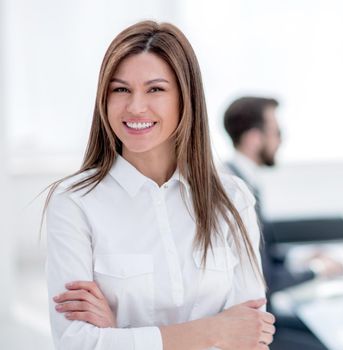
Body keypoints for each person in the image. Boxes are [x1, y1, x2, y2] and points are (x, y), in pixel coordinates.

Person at [43, 21, 275, 350]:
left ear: (185, 97)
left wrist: (120, 336)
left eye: (155, 89)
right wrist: (215, 331)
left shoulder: (233, 198)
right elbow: (76, 344)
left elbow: (252, 335)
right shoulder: (74, 203)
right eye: (120, 89)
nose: (136, 106)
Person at [223, 96, 343, 350]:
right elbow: (264, 279)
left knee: (329, 329)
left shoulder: (241, 177)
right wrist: (318, 270)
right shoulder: (236, 191)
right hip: (254, 327)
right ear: (254, 138)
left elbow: (261, 254)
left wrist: (300, 257)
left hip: (264, 316)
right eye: (277, 132)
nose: (281, 140)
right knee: (333, 339)